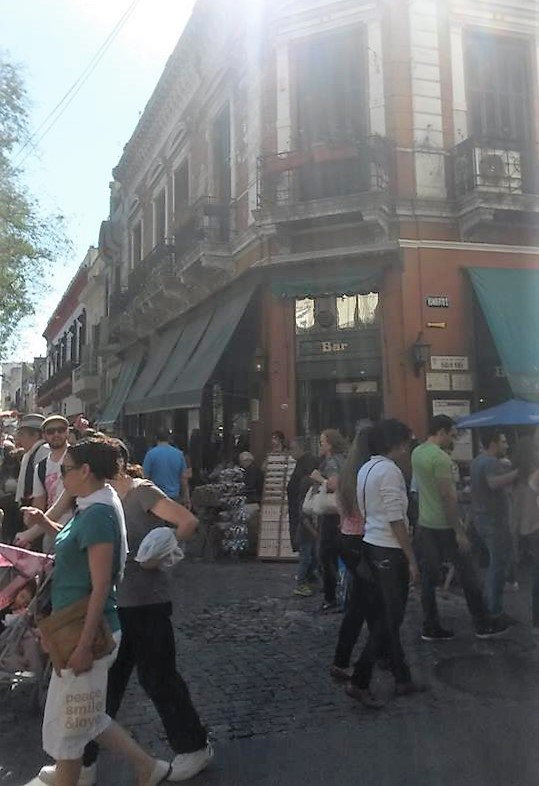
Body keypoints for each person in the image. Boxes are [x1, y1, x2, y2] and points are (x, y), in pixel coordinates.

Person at [23, 438, 172, 786]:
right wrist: (45, 523)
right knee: (84, 716)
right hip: (75, 623)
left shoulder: (98, 513)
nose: (61, 477)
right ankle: (147, 766)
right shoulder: (93, 506)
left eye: (65, 470)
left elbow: (101, 584)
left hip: (86, 628)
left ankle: (129, 769)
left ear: (85, 471)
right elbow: (78, 545)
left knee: (72, 724)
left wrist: (84, 645)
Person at [75, 441, 212, 785]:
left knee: (158, 678)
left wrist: (161, 552)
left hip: (146, 602)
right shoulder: (99, 499)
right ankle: (82, 761)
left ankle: (194, 747)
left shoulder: (140, 492)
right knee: (104, 686)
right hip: (115, 605)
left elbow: (187, 522)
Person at [412, 415, 508, 640]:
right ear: (442, 432)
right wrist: (459, 531)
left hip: (426, 523)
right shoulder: (441, 459)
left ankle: (430, 625)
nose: (453, 439)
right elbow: (448, 498)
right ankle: (482, 623)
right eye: (452, 435)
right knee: (468, 575)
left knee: (429, 578)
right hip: (445, 525)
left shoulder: (417, 453)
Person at [346, 419, 420, 708]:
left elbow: (366, 509)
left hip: (371, 545)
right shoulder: (390, 471)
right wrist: (410, 558)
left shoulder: (366, 468)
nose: (407, 448)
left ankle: (402, 677)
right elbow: (395, 517)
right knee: (390, 619)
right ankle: (360, 678)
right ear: (396, 443)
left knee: (384, 616)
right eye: (405, 443)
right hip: (389, 549)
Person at [330, 429, 374, 679]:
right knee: (366, 604)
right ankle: (344, 660)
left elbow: (341, 507)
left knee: (367, 601)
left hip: (346, 536)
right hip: (363, 538)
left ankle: (387, 655)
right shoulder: (367, 472)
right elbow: (368, 511)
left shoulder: (347, 471)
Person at [470, 429, 518, 619]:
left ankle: (489, 603)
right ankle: (494, 609)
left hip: (481, 518)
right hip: (493, 520)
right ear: (493, 443)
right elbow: (493, 483)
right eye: (503, 442)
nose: (506, 445)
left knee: (493, 563)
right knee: (498, 565)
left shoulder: (477, 461)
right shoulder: (490, 462)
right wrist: (517, 473)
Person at [17, 414, 74, 553]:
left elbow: (64, 502)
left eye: (61, 430)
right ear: (44, 435)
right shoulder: (41, 467)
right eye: (51, 431)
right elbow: (39, 504)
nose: (56, 434)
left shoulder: (76, 460)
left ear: (67, 432)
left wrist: (29, 535)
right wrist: (29, 532)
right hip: (49, 533)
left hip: (74, 529)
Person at [310, 429, 347, 611]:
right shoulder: (342, 459)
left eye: (322, 442)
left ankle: (331, 596)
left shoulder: (332, 461)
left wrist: (319, 479)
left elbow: (334, 484)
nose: (320, 446)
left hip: (331, 513)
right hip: (340, 513)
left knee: (326, 555)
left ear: (330, 444)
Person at [143, 431, 190, 508]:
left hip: (156, 497)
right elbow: (184, 479)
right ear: (169, 438)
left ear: (156, 438)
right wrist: (186, 498)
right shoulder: (179, 454)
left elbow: (145, 478)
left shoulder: (150, 454)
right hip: (174, 497)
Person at [287, 438, 318, 552]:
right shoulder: (302, 462)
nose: (290, 452)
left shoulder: (308, 462)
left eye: (293, 449)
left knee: (305, 544)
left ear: (301, 448)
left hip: (303, 506)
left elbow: (309, 483)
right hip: (298, 505)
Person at [14, 413, 49, 508]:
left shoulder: (44, 451)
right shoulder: (30, 454)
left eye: (22, 434)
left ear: (35, 435)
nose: (18, 439)